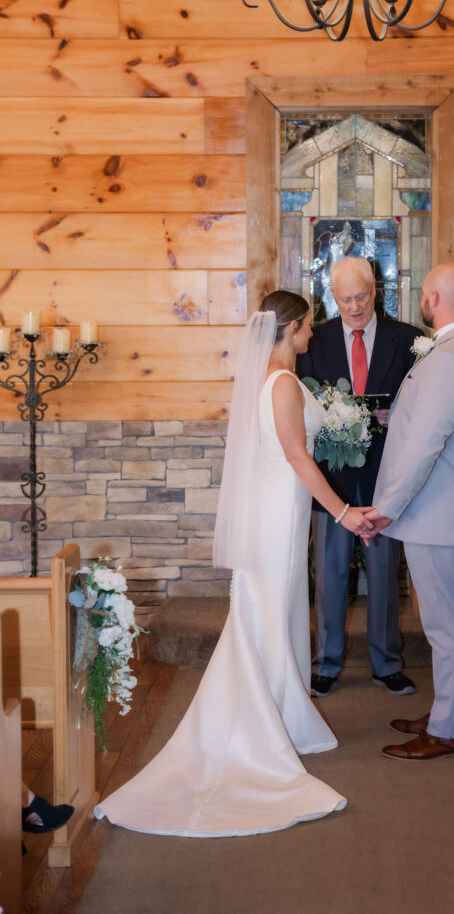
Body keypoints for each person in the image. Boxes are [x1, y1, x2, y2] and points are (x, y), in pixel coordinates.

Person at [94, 291, 373, 835]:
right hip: (277, 522)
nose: (313, 336)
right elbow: (296, 457)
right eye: (309, 328)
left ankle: (281, 715)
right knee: (267, 611)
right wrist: (344, 513)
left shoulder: (265, 382)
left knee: (271, 610)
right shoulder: (284, 384)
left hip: (277, 516)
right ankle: (258, 728)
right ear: (290, 328)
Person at [366, 264, 454, 761]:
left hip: (437, 516)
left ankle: (450, 730)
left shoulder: (447, 359)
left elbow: (425, 448)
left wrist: (385, 509)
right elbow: (439, 425)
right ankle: (452, 711)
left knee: (444, 624)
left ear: (435, 298)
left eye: (424, 294)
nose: (422, 300)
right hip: (449, 512)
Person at [297, 257, 420, 699]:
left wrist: (399, 414)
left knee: (385, 574)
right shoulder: (313, 341)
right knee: (328, 576)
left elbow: (426, 406)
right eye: (345, 298)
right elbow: (299, 405)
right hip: (332, 481)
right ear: (333, 296)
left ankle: (387, 664)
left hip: (389, 477)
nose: (353, 307)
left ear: (376, 290)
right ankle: (326, 665)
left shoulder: (409, 340)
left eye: (361, 297)